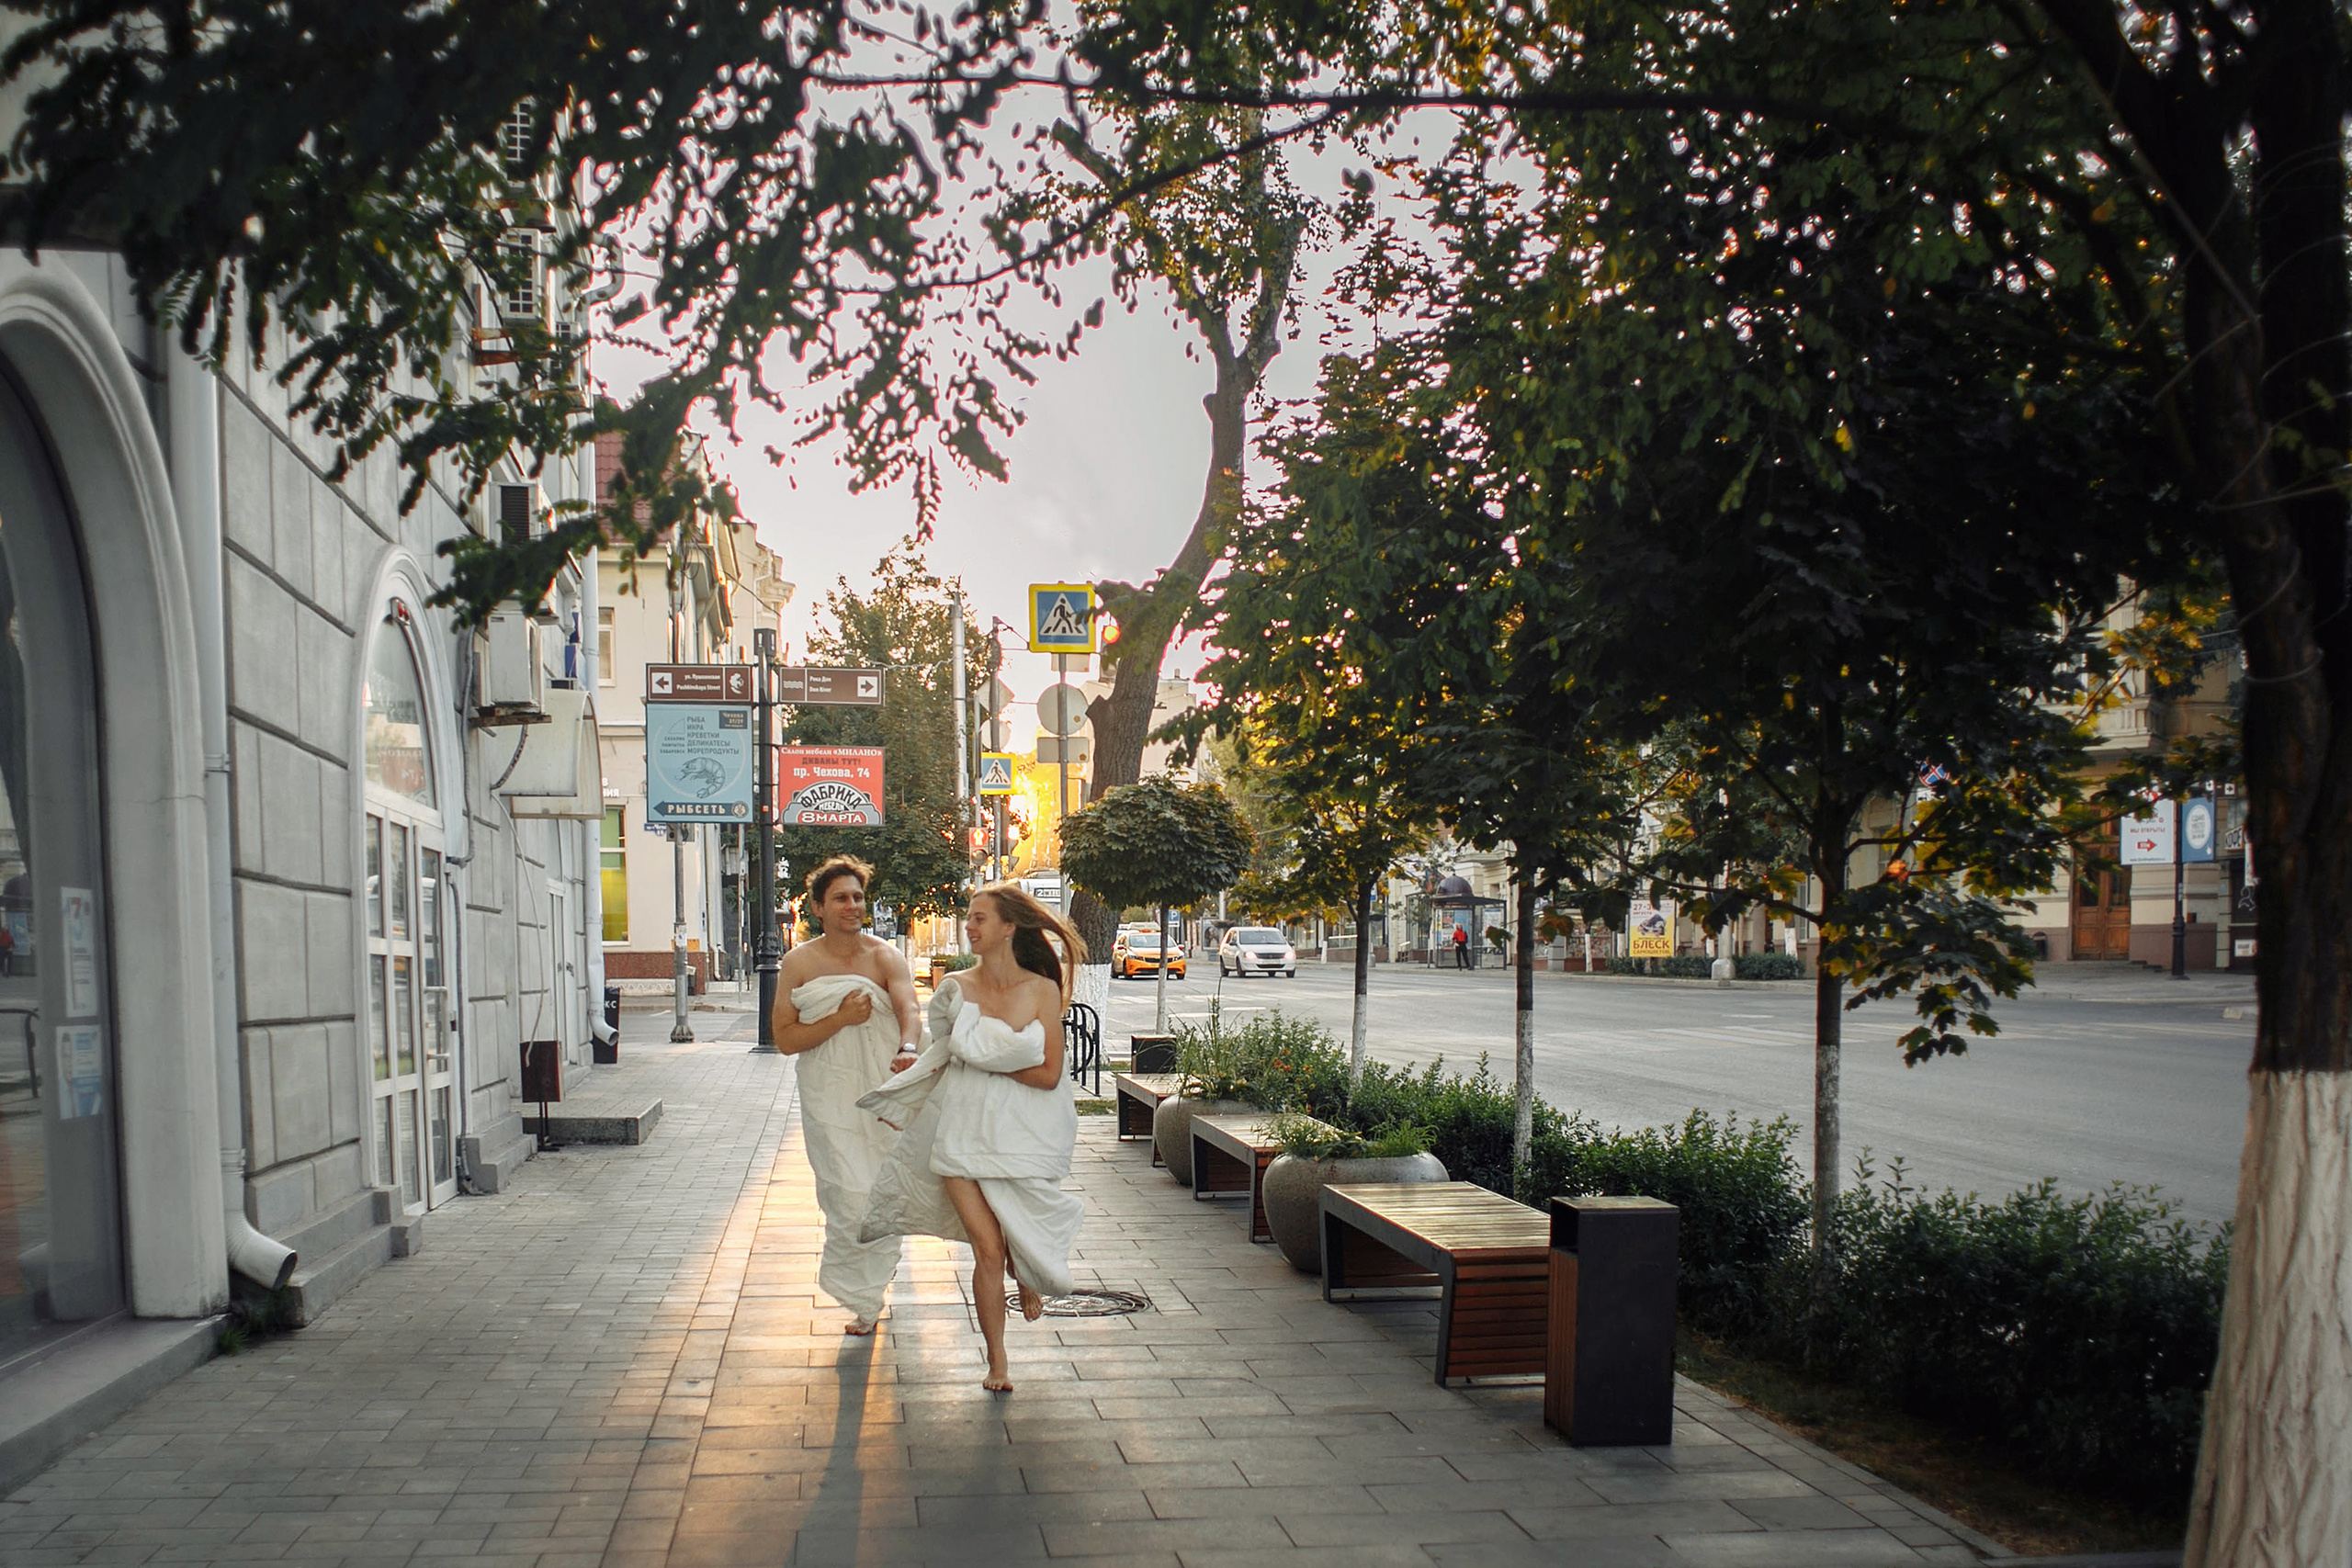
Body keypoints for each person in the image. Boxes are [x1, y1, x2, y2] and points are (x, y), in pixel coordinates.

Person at [857, 883, 1083, 1393]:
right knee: (986, 1248)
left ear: (1009, 927)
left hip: (1017, 1138)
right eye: (969, 917)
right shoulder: (955, 988)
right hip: (959, 1133)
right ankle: (998, 1362)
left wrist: (983, 1060)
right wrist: (905, 1093)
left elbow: (1049, 1074)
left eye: (981, 918)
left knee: (1011, 1238)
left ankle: (1024, 1270)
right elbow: (941, 1058)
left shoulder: (1041, 990)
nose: (970, 926)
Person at [771, 855, 921, 1335]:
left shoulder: (884, 956)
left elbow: (909, 1009)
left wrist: (909, 1048)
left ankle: (868, 1296)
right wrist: (840, 1019)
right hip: (828, 1097)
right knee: (846, 1196)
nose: (853, 905)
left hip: (879, 1093)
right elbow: (784, 1039)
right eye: (840, 898)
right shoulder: (799, 963)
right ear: (818, 907)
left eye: (858, 897)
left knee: (878, 1193)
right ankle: (862, 1292)